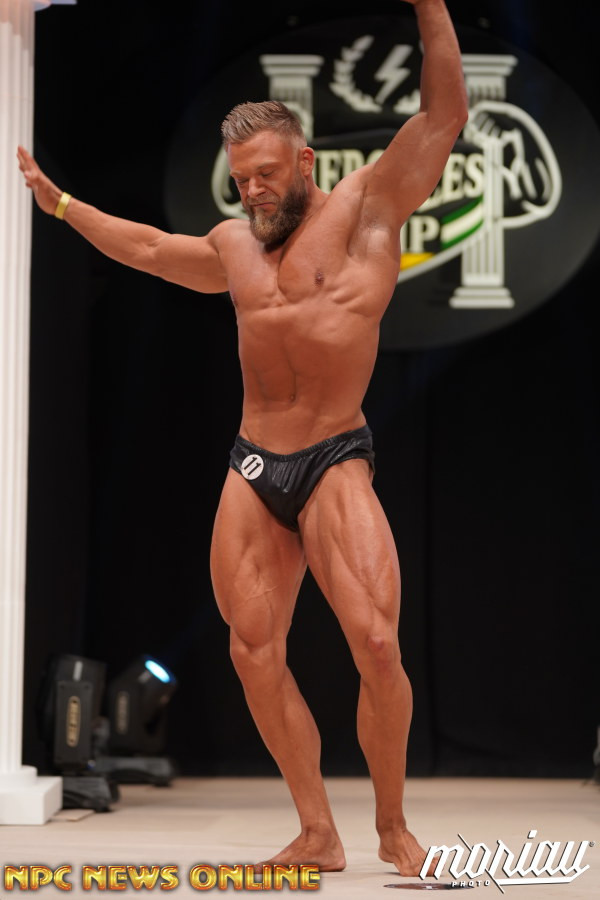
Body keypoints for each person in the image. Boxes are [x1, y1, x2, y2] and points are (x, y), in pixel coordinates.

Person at [18, 0, 467, 877]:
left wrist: (429, 8)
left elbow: (444, 115)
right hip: (255, 462)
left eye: (265, 174)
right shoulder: (233, 245)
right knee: (252, 651)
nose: (253, 191)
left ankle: (391, 827)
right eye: (241, 179)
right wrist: (63, 205)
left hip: (335, 455)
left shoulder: (369, 208)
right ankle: (316, 832)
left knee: (378, 646)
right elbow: (150, 251)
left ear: (305, 160)